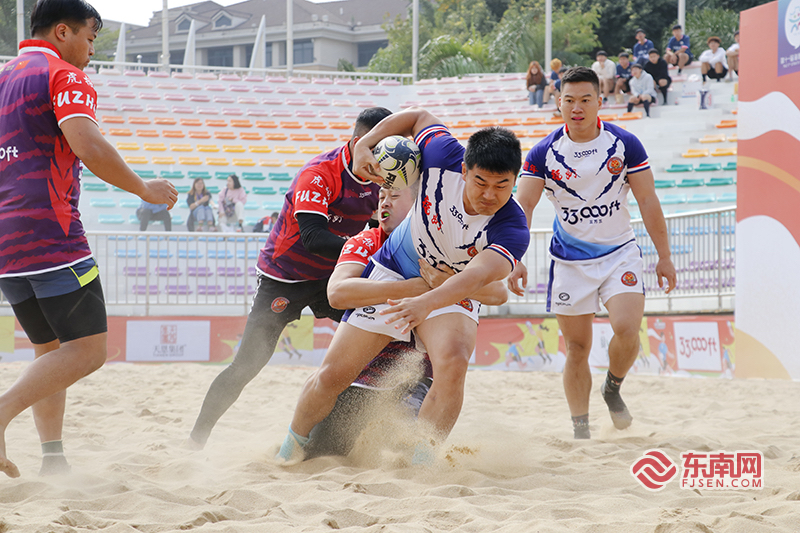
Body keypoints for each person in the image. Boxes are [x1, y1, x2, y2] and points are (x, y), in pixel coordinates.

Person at [278, 109, 530, 464]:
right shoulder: (442, 154)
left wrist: (427, 301)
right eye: (481, 182)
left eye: (502, 186)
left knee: (454, 362)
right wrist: (365, 144)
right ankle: (289, 448)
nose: (489, 195)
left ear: (514, 180)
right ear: (464, 170)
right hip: (398, 268)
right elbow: (418, 116)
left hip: (449, 284)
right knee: (333, 375)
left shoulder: (512, 229)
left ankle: (422, 464)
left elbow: (476, 281)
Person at [0, 0, 177, 478]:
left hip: (7, 240)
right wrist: (145, 189)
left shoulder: (3, 77)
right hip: (50, 232)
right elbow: (88, 143)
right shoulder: (62, 75)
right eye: (91, 37)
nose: (92, 50)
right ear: (62, 32)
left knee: (51, 349)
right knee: (89, 350)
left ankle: (52, 458)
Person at [187, 107, 393, 449]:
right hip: (285, 278)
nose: (385, 162)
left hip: (333, 279)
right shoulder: (319, 172)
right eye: (379, 151)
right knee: (246, 366)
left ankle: (326, 439)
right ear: (359, 143)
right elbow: (313, 237)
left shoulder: (384, 180)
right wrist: (363, 249)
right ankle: (196, 442)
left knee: (373, 351)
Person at [509, 67, 677, 440]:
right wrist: (514, 257)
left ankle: (613, 387)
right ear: (558, 103)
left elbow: (648, 200)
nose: (577, 107)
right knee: (577, 347)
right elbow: (523, 206)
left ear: (600, 101)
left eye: (586, 99)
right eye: (569, 100)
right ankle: (581, 430)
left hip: (620, 253)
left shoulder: (625, 143)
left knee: (627, 329)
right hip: (570, 262)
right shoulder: (542, 153)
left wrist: (664, 256)